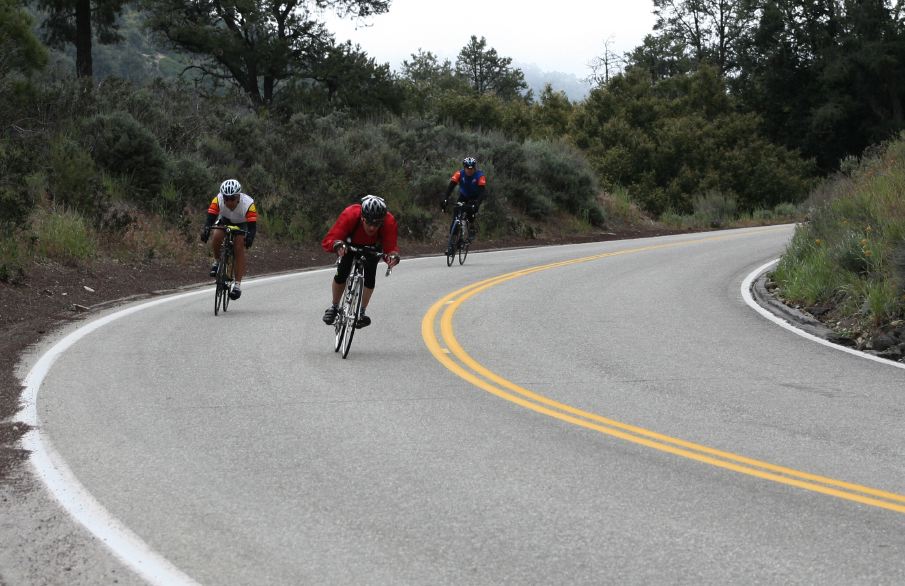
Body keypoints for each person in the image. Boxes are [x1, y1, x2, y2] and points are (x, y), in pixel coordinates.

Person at [322, 195, 400, 328]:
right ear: (362, 217)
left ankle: (361, 313)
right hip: (350, 244)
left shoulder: (388, 221)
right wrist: (337, 245)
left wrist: (392, 258)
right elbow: (330, 239)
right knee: (342, 273)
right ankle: (334, 307)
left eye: (377, 224)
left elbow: (390, 248)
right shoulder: (351, 214)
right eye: (369, 222)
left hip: (372, 248)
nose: (372, 228)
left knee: (370, 276)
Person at [200, 179, 257, 300]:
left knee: (238, 247)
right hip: (225, 219)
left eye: (232, 198)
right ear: (223, 197)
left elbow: (252, 227)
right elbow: (210, 219)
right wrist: (206, 230)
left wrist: (250, 237)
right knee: (216, 235)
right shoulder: (218, 199)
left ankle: (237, 286)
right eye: (226, 198)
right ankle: (217, 262)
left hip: (242, 224)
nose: (229, 201)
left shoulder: (248, 204)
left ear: (238, 197)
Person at [442, 156, 486, 252]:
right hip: (463, 196)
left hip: (474, 198)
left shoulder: (480, 175)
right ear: (464, 167)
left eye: (471, 169)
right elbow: (451, 186)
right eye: (467, 168)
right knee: (456, 215)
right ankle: (452, 245)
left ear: (474, 168)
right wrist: (445, 199)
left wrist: (477, 204)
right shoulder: (459, 174)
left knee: (471, 213)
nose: (469, 171)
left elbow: (482, 193)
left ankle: (472, 227)